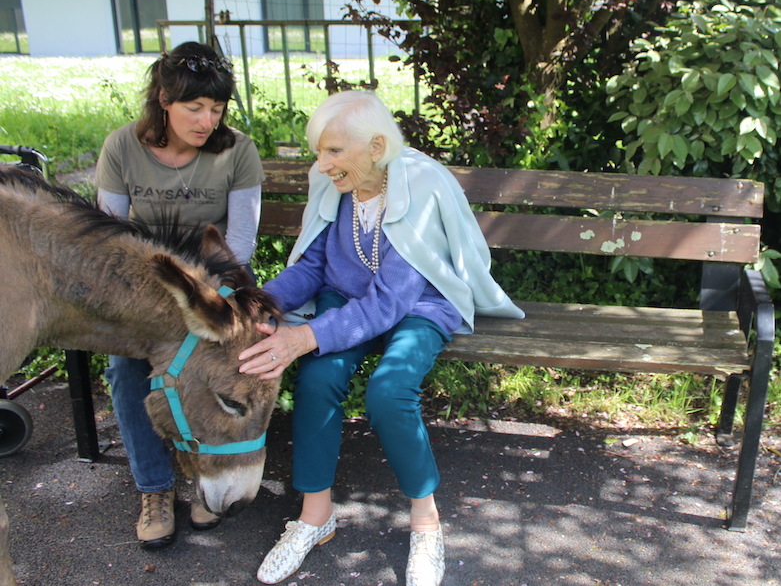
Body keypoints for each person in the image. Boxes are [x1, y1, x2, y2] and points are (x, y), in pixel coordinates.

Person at [238, 90, 524, 585]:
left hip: (418, 303)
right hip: (346, 300)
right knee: (318, 379)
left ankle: (426, 522)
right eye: (318, 151)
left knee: (390, 391)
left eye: (333, 151)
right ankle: (315, 515)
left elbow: (390, 301)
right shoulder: (333, 184)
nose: (321, 164)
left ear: (375, 147)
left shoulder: (422, 187)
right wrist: (258, 303)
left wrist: (303, 336)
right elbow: (312, 264)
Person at [94, 41, 265, 549]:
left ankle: (203, 477)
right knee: (126, 368)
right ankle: (154, 488)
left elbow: (238, 248)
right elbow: (110, 238)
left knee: (215, 367)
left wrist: (206, 305)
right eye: (195, 107)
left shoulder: (238, 150)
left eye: (216, 109)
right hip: (142, 291)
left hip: (217, 291)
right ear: (164, 99)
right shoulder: (122, 147)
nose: (207, 120)